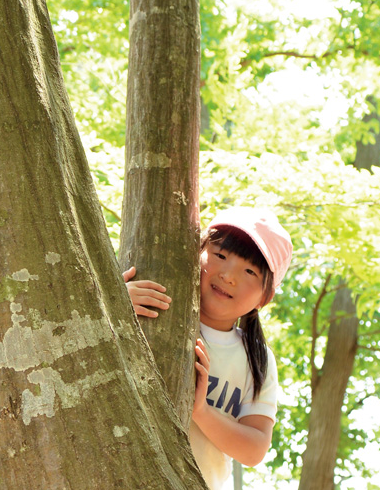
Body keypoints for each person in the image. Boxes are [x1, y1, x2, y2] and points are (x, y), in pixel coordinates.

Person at [124, 208, 293, 490]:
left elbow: (254, 449)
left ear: (265, 297)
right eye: (221, 256)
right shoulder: (150, 308)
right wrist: (115, 305)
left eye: (250, 270)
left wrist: (200, 409)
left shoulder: (257, 359)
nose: (229, 276)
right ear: (198, 250)